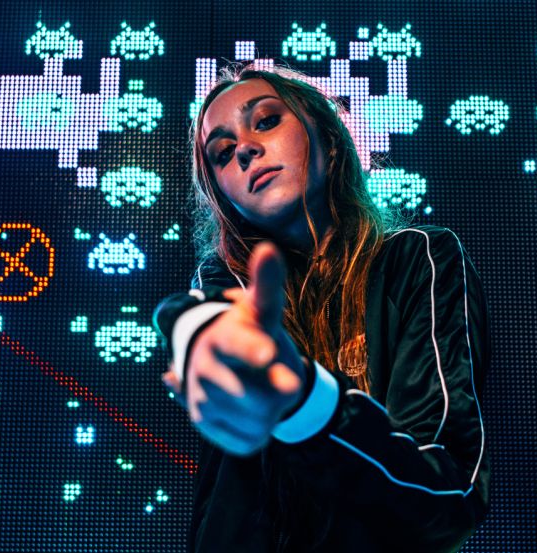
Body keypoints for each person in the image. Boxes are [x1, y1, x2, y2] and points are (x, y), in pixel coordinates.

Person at [152, 63, 492, 552]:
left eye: (267, 120)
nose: (244, 149)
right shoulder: (224, 279)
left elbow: (446, 495)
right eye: (223, 153)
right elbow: (204, 317)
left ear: (329, 140)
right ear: (224, 196)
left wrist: (307, 400)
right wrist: (200, 337)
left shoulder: (418, 258)